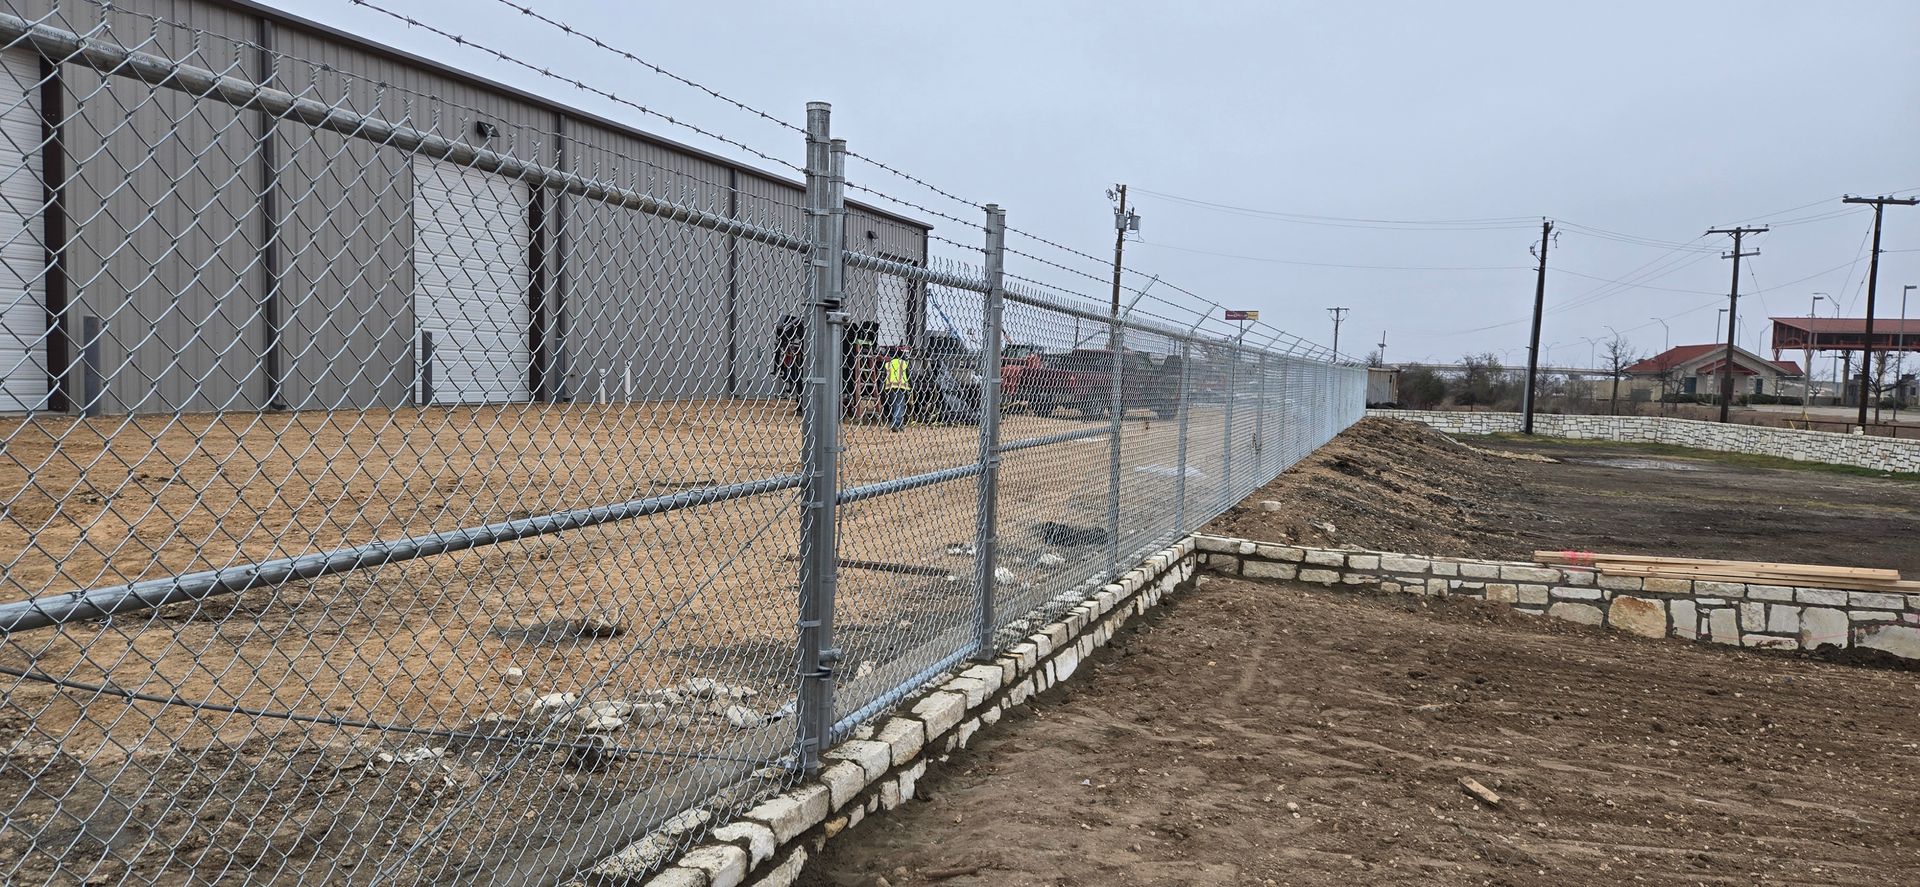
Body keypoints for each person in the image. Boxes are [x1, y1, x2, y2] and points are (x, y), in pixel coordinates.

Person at [883, 347, 912, 432]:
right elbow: (909, 375)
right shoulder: (904, 363)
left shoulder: (888, 364)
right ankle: (895, 423)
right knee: (900, 405)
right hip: (901, 386)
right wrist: (912, 387)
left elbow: (884, 377)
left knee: (895, 405)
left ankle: (899, 424)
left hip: (891, 387)